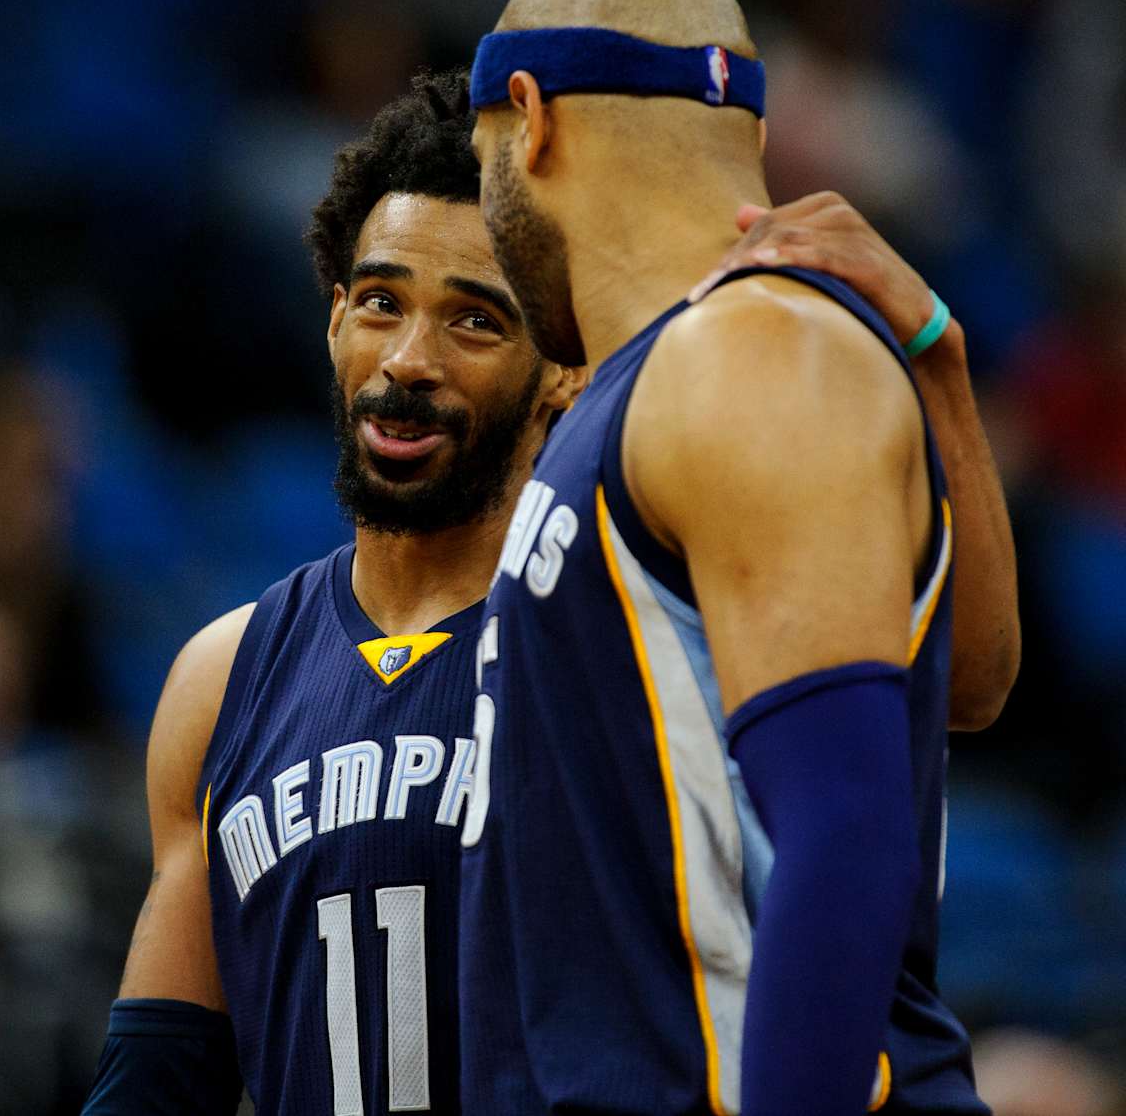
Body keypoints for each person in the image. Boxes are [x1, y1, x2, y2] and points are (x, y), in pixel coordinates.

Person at [83, 68, 1015, 1113]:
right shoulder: (222, 680)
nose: (410, 360)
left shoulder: (633, 624)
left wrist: (936, 357)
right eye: (382, 303)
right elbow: (158, 1077)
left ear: (565, 365)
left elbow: (967, 683)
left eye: (475, 322)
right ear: (335, 318)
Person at [460, 0, 1018, 1116]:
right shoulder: (655, 383)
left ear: (529, 121)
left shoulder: (745, 354)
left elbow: (850, 836)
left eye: (478, 164)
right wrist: (945, 370)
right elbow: (963, 678)